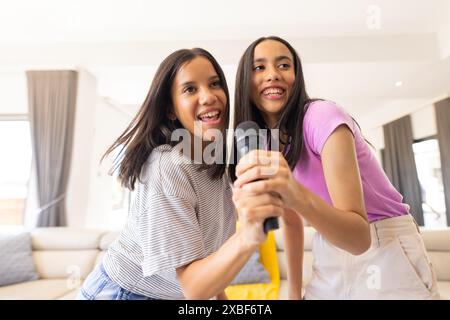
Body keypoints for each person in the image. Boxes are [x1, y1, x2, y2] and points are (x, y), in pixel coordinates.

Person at [231, 36, 440, 300]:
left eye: (283, 65)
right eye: (259, 67)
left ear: (296, 76)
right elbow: (292, 220)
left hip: (384, 245)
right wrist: (294, 291)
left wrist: (295, 193)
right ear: (244, 82)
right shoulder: (269, 143)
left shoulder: (321, 117)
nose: (273, 74)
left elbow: (358, 238)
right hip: (330, 244)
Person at [76, 48, 283, 300]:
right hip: (125, 293)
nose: (208, 96)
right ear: (171, 110)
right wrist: (248, 235)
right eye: (190, 89)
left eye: (214, 84)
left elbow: (206, 263)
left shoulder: (219, 160)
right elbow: (194, 288)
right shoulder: (168, 166)